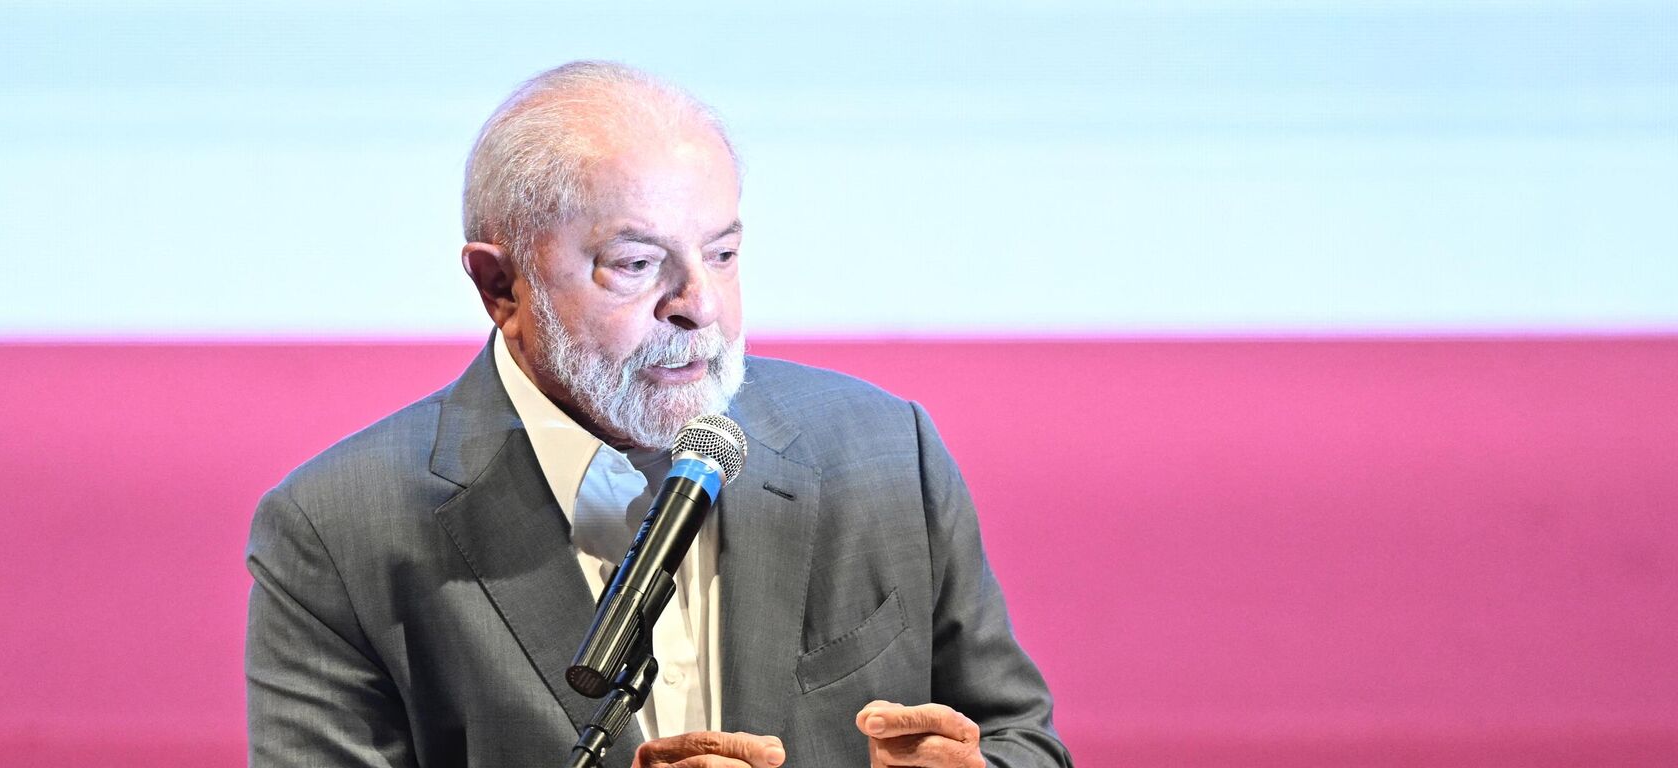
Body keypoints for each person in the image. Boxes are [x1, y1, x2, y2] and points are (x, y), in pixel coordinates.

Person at [245, 60, 1072, 768]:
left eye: (722, 253)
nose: (700, 305)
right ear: (501, 286)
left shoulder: (887, 455)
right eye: (637, 264)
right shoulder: (338, 532)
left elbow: (1021, 737)